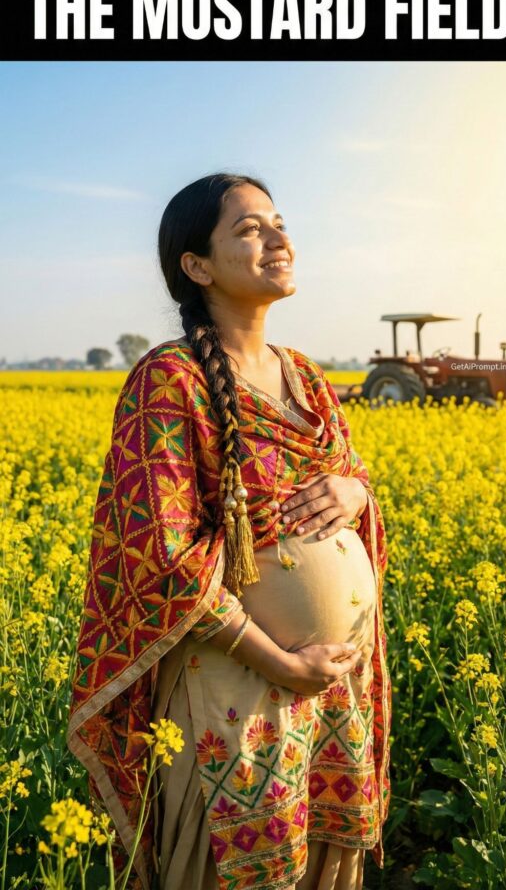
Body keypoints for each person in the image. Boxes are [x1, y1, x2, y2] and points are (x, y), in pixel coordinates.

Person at [66, 172, 391, 890]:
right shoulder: (169, 381)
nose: (279, 239)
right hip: (236, 685)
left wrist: (354, 488)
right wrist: (275, 657)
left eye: (279, 223)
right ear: (197, 266)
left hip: (332, 686)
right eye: (249, 229)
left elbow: (349, 483)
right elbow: (159, 557)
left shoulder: (304, 374)